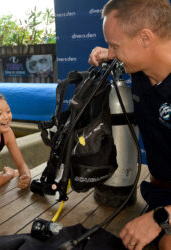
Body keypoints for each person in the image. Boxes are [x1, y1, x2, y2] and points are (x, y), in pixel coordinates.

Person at [88, 0, 171, 249]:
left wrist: (161, 218)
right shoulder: (140, 66)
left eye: (115, 45)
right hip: (159, 192)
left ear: (145, 38)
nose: (111, 54)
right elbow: (123, 53)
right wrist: (109, 51)